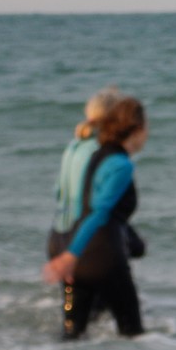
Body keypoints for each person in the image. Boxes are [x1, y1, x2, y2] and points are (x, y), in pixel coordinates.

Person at [42, 97, 149, 339]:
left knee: (72, 330)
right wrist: (72, 254)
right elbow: (99, 210)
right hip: (96, 250)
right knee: (132, 332)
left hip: (62, 239)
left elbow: (63, 195)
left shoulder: (79, 148)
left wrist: (70, 250)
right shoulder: (114, 160)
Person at [47, 86, 121, 259]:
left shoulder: (73, 146)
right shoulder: (100, 151)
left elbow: (58, 191)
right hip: (81, 240)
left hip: (57, 235)